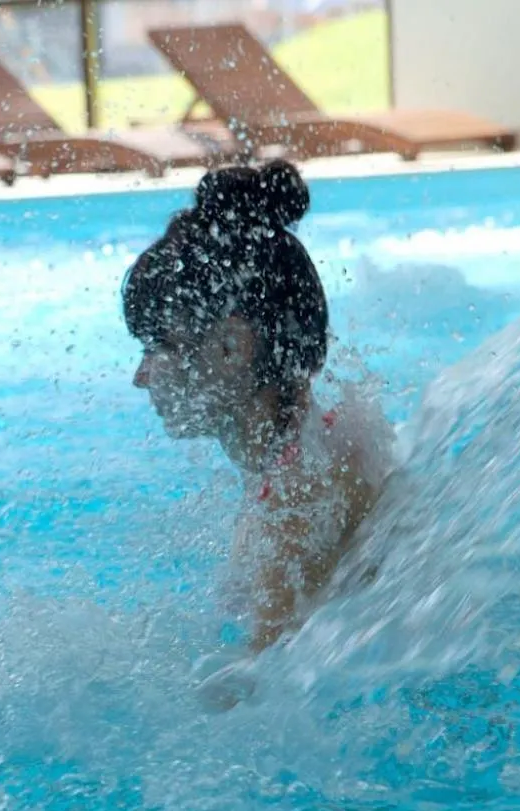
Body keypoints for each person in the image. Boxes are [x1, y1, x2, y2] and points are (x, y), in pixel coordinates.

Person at [122, 161, 395, 703]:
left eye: (160, 348)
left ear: (232, 348)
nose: (141, 377)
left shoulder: (296, 506)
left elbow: (269, 693)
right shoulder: (327, 444)